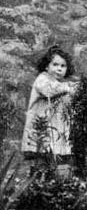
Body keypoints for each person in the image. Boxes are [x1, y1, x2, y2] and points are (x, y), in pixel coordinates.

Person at [22, 46, 77, 174]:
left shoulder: (60, 83)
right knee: (41, 157)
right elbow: (49, 90)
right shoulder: (43, 79)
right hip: (42, 127)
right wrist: (68, 88)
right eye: (55, 64)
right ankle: (38, 181)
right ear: (46, 66)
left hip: (55, 128)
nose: (59, 69)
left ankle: (52, 181)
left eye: (63, 66)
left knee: (54, 160)